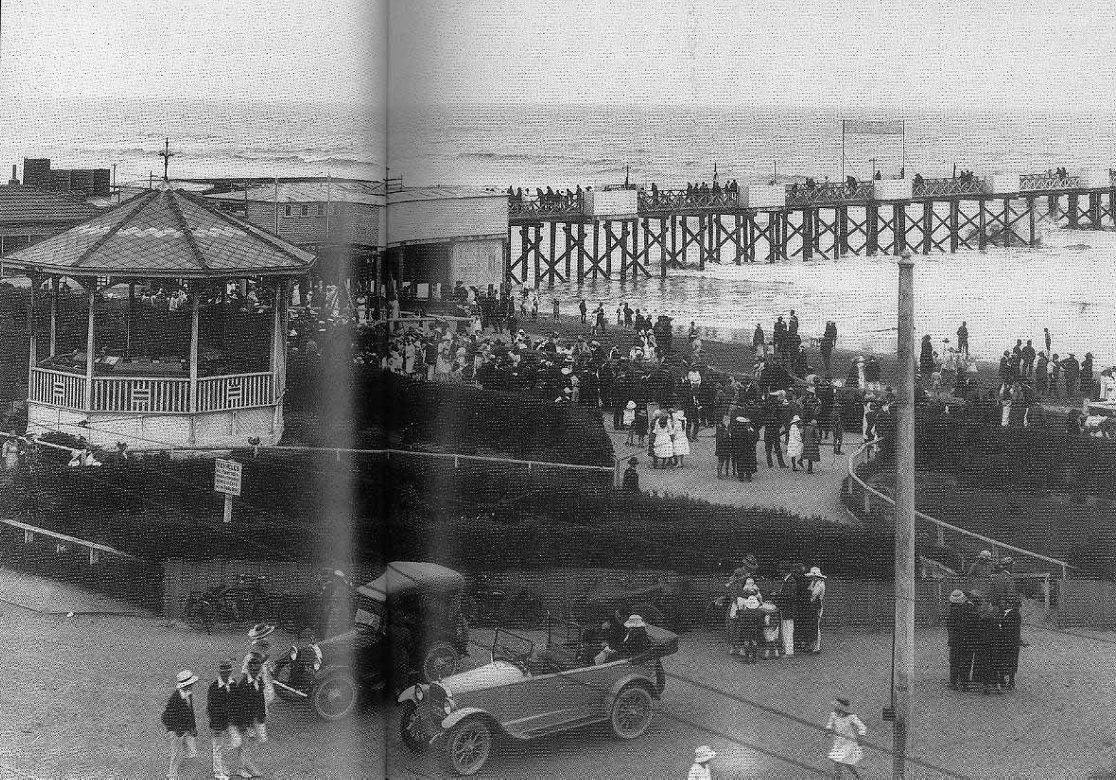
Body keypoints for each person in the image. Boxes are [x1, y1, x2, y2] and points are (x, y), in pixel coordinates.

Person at [231, 653, 268, 778]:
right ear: (248, 669)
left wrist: (262, 715)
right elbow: (240, 707)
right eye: (253, 669)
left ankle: (247, 763)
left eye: (258, 669)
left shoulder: (259, 680)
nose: (255, 672)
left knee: (261, 739)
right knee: (245, 744)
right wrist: (243, 725)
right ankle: (242, 768)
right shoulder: (243, 685)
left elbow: (261, 699)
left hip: (257, 717)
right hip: (246, 720)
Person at [162, 669, 199, 780]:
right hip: (176, 730)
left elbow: (190, 711)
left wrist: (193, 727)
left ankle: (179, 766)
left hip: (186, 728)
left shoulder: (188, 694)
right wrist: (175, 730)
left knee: (191, 752)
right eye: (190, 683)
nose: (192, 685)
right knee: (176, 752)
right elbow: (166, 717)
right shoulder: (174, 699)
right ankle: (172, 775)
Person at [207, 659, 239, 780]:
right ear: (220, 672)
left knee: (236, 742)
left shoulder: (233, 683)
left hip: (230, 721)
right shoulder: (214, 687)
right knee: (217, 747)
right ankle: (218, 772)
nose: (225, 674)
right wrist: (215, 725)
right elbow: (211, 708)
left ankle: (222, 765)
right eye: (223, 672)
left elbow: (237, 702)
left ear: (230, 671)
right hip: (218, 722)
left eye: (228, 671)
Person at [825, 698, 867, 778]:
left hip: (849, 743)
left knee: (838, 762)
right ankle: (858, 777)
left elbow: (862, 727)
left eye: (836, 707)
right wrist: (828, 732)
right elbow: (829, 725)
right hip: (838, 743)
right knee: (845, 762)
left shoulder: (851, 717)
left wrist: (861, 737)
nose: (834, 709)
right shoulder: (833, 715)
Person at [996, 597, 1024, 690]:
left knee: (1007, 660)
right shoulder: (1009, 614)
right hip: (1008, 642)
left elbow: (1007, 628)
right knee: (1007, 660)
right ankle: (1007, 680)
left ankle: (1007, 681)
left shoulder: (1012, 614)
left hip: (1008, 641)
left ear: (1009, 604)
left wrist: (1000, 627)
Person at [946, 589, 969, 691]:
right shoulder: (965, 610)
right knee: (964, 661)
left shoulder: (952, 612)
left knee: (954, 662)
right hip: (964, 640)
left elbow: (950, 627)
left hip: (954, 641)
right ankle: (964, 683)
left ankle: (954, 682)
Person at [804, 566, 826, 653]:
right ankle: (812, 645)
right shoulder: (814, 582)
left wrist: (808, 593)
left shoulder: (820, 584)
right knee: (812, 626)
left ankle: (817, 647)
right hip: (812, 606)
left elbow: (812, 595)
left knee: (816, 626)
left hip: (817, 606)